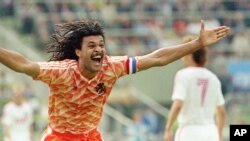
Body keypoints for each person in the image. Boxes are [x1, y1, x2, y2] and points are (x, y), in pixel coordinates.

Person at [0, 18, 229, 141]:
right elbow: (23, 64)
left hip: (91, 136)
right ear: (78, 52)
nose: (99, 49)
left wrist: (197, 44)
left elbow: (157, 58)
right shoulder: (61, 71)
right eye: (91, 45)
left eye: (101, 44)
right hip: (59, 138)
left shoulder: (112, 66)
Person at [164, 35, 226, 141]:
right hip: (210, 132)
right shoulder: (213, 78)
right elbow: (221, 112)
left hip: (189, 132)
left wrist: (168, 128)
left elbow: (178, 105)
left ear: (189, 54)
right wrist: (219, 136)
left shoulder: (183, 75)